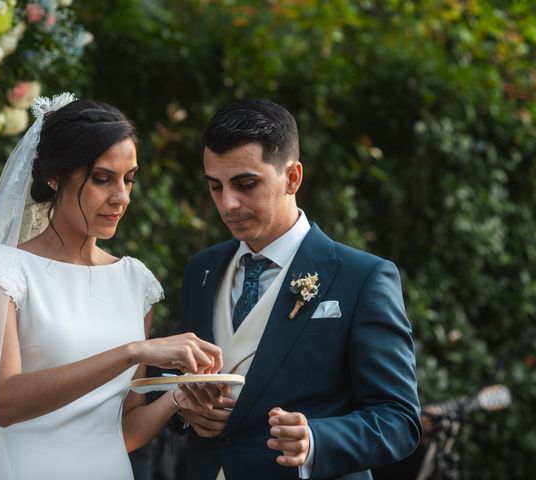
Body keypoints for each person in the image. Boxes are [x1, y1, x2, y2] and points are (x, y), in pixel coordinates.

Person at [0, 94, 222, 480]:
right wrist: (133, 351)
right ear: (55, 176)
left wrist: (179, 396)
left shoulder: (135, 281)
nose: (121, 197)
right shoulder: (3, 271)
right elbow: (4, 402)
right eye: (102, 179)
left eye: (129, 179)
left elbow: (125, 431)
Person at [171, 98, 421, 479]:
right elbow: (168, 380)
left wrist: (317, 440)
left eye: (245, 183)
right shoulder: (200, 270)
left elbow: (400, 419)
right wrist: (183, 409)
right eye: (215, 186)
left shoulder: (364, 277)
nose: (228, 203)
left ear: (293, 177)